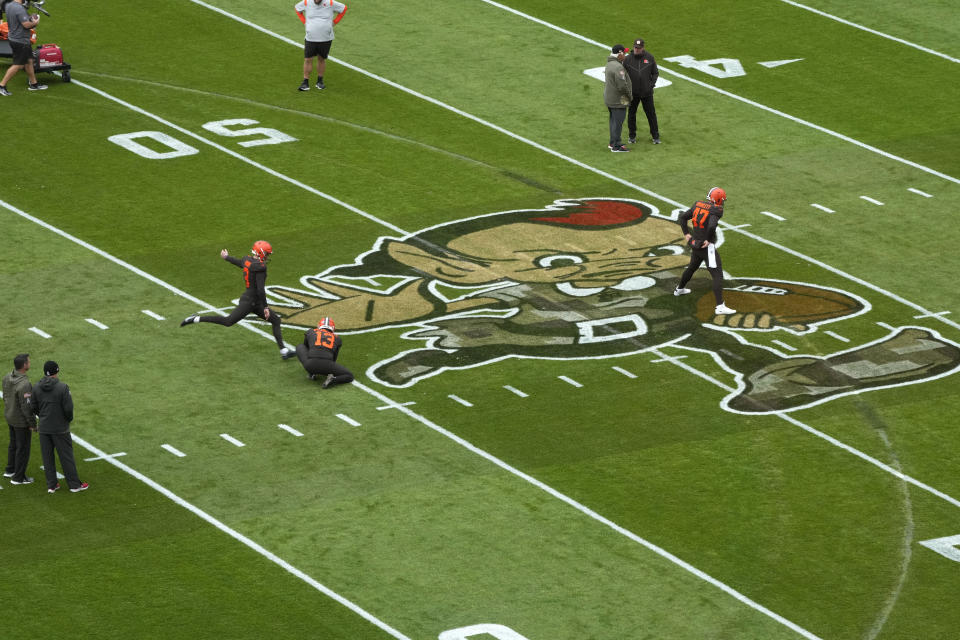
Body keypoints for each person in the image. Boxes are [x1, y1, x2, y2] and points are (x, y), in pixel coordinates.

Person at [181, 241, 295, 359]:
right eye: (266, 254)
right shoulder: (261, 267)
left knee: (276, 320)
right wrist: (265, 307)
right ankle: (195, 318)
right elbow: (261, 290)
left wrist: (227, 257)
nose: (267, 256)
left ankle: (284, 351)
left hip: (253, 300)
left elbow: (240, 263)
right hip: (250, 302)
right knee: (228, 321)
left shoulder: (248, 260)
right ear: (261, 253)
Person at [674, 187, 736, 315]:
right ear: (718, 200)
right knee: (718, 275)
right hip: (705, 246)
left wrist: (686, 234)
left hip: (695, 243)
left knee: (692, 267)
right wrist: (708, 240)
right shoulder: (717, 210)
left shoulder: (698, 204)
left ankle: (679, 289)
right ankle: (720, 306)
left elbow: (683, 217)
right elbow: (712, 225)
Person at [31, 361, 87, 493]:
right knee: (66, 457)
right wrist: (66, 420)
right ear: (56, 372)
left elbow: (33, 407)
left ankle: (52, 485)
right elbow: (68, 409)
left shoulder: (36, 387)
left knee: (47, 457)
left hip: (44, 428)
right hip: (60, 428)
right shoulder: (63, 387)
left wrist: (43, 416)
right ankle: (74, 485)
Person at [295, 0, 347, 91]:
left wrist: (334, 22)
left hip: (326, 38)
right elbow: (297, 9)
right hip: (310, 37)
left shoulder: (330, 3)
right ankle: (305, 82)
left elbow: (344, 9)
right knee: (308, 59)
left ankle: (320, 81)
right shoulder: (306, 2)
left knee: (321, 58)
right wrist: (304, 22)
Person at [0, 0, 46, 96]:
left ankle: (34, 84)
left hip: (15, 38)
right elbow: (26, 25)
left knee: (29, 61)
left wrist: (29, 18)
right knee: (18, 64)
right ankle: (2, 86)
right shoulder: (19, 8)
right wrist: (35, 22)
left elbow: (18, 19)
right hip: (20, 41)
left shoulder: (9, 5)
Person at [3, 353, 37, 485]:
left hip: (10, 416)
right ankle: (18, 477)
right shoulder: (24, 384)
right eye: (28, 361)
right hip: (20, 421)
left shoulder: (7, 377)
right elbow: (27, 407)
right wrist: (32, 424)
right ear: (24, 365)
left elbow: (6, 396)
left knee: (13, 444)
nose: (29, 363)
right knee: (22, 448)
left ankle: (10, 470)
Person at [295, 317, 354, 388]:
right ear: (333, 328)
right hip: (327, 365)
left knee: (300, 346)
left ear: (319, 326)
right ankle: (333, 380)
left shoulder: (311, 331)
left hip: (310, 365)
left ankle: (311, 374)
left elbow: (306, 347)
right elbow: (334, 359)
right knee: (349, 376)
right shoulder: (337, 338)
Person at [623, 38, 660, 145]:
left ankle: (655, 136)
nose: (636, 50)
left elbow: (655, 73)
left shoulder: (650, 57)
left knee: (651, 114)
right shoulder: (628, 59)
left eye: (639, 48)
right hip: (633, 93)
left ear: (643, 48)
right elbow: (623, 75)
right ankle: (632, 136)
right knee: (631, 114)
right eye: (635, 47)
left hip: (647, 93)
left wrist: (651, 86)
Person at [603, 44, 632, 152]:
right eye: (624, 53)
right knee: (618, 123)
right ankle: (616, 145)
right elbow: (622, 86)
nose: (625, 55)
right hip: (618, 99)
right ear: (619, 53)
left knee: (613, 121)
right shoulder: (618, 66)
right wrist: (629, 95)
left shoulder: (609, 64)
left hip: (610, 98)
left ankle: (612, 142)